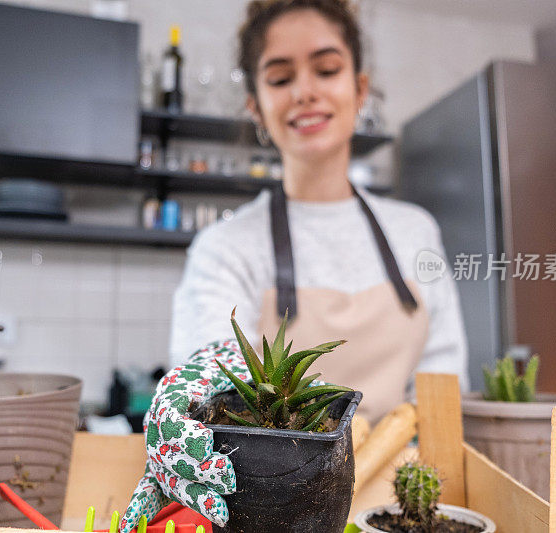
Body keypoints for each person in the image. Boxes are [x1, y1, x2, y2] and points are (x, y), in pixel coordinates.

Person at [120, 1, 468, 530]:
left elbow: (444, 384)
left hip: (399, 506)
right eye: (281, 77)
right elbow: (205, 377)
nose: (305, 90)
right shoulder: (225, 247)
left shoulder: (414, 231)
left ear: (360, 88)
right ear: (256, 108)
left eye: (326, 69)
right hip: (272, 509)